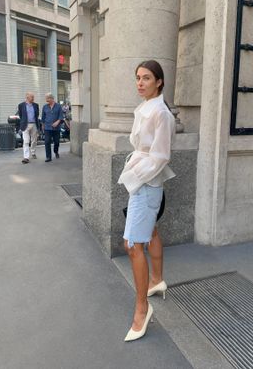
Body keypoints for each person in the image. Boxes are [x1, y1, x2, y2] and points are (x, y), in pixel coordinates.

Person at [118, 60, 176, 342]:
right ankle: (156, 280)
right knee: (149, 232)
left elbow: (161, 155)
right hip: (143, 182)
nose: (140, 82)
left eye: (147, 78)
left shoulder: (161, 114)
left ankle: (142, 308)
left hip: (145, 183)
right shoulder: (144, 108)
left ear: (159, 81)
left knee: (132, 244)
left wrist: (134, 176)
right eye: (138, 77)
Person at [18, 92, 40, 164]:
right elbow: (21, 116)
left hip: (34, 125)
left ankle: (33, 152)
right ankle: (26, 157)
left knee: (34, 140)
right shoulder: (21, 105)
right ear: (27, 97)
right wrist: (23, 122)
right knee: (26, 141)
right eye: (32, 97)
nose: (33, 98)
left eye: (33, 97)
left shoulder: (36, 105)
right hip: (25, 125)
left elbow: (37, 115)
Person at [41, 93, 63, 162]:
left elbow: (61, 116)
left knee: (56, 142)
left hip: (56, 128)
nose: (46, 100)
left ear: (51, 99)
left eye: (47, 99)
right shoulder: (45, 107)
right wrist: (43, 126)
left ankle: (56, 151)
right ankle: (48, 157)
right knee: (47, 142)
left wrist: (57, 122)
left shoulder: (58, 106)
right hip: (47, 127)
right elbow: (43, 117)